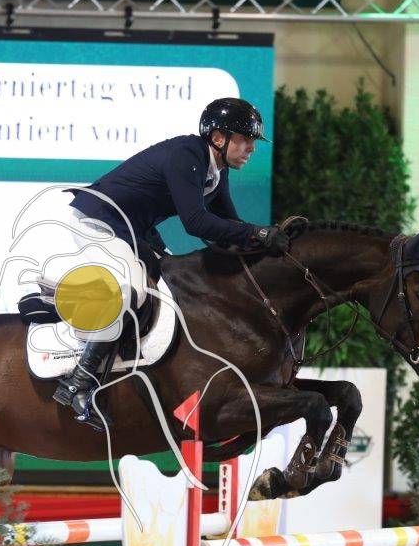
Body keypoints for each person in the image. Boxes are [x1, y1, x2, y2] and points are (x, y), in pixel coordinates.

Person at [52, 96, 290, 431]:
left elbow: (227, 227)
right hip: (98, 220)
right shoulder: (187, 155)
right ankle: (79, 382)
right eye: (245, 139)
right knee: (131, 291)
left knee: (172, 283)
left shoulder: (216, 170)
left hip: (133, 229)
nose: (251, 148)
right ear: (218, 138)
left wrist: (263, 245)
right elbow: (195, 222)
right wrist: (257, 233)